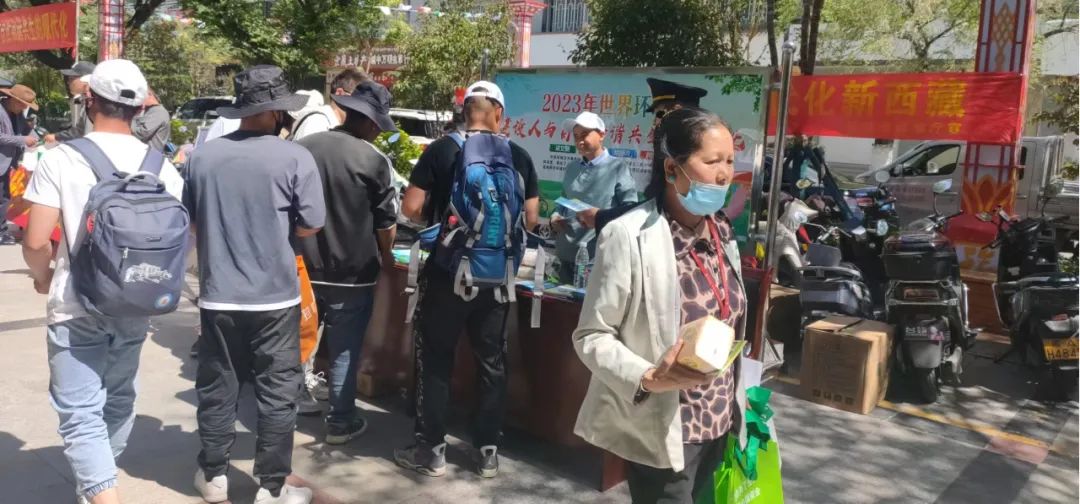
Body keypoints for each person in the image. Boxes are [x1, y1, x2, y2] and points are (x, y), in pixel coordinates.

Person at [21, 59, 183, 504]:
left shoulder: (63, 158)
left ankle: (102, 495)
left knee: (80, 411)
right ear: (140, 107)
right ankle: (98, 486)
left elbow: (36, 241)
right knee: (118, 400)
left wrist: (43, 277)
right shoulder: (162, 167)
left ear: (89, 100)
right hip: (136, 301)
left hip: (76, 303)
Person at [572, 108, 747, 504]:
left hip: (720, 424)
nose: (724, 174)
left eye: (729, 161)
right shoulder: (628, 236)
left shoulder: (722, 231)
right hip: (666, 431)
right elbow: (591, 335)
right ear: (671, 168)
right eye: (712, 161)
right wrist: (648, 376)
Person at [184, 65, 325, 504]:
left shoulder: (203, 157)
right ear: (278, 111)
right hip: (276, 297)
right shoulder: (295, 157)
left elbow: (192, 222)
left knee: (217, 387)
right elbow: (311, 225)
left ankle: (213, 476)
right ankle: (271, 487)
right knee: (277, 393)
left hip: (218, 295)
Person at [397, 81, 539, 478]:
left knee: (436, 358)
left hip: (447, 274)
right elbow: (530, 220)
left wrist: (443, 222)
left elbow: (410, 208)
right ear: (499, 114)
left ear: (465, 111)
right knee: (492, 361)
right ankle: (487, 450)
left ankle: (431, 450)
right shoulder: (518, 156)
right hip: (496, 279)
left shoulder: (442, 150)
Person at [295, 80, 399, 443]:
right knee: (344, 350)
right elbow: (386, 225)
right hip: (353, 276)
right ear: (369, 122)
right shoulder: (373, 160)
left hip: (303, 269)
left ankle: (284, 409)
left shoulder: (304, 148)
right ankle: (340, 422)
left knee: (296, 342)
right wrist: (387, 255)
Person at [594, 78, 710, 233]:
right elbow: (655, 205)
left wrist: (601, 217)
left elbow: (663, 210)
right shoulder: (667, 149)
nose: (655, 123)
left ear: (678, 112)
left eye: (660, 114)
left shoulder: (690, 158)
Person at [549, 111, 637, 283]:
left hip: (597, 258)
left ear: (601, 135)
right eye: (575, 136)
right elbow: (563, 201)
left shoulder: (618, 168)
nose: (579, 141)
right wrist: (555, 217)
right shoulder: (572, 167)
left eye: (584, 135)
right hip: (564, 255)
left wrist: (600, 217)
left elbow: (630, 209)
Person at [1, 84, 39, 244]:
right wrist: (23, 140)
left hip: (7, 163)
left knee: (4, 197)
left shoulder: (17, 114)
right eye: (23, 104)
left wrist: (36, 137)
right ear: (13, 100)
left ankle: (1, 230)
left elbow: (26, 129)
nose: (24, 108)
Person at [45, 61, 96, 143]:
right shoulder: (87, 102)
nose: (68, 82)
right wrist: (57, 136)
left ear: (85, 79)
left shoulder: (100, 104)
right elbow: (79, 131)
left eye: (71, 78)